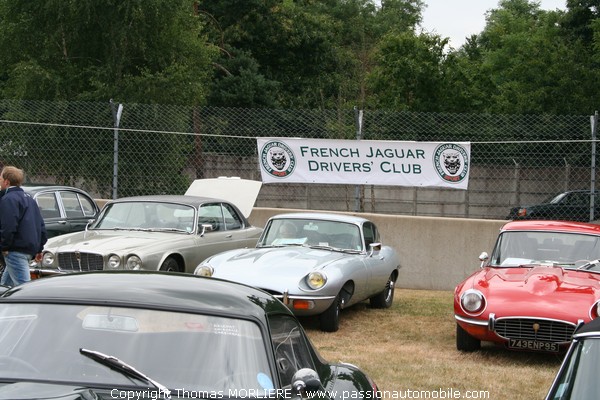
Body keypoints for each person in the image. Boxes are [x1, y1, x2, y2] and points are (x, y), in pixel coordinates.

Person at [0, 166, 47, 286]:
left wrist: (4, 246)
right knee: (6, 287)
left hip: (15, 250)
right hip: (28, 250)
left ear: (6, 181)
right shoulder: (29, 199)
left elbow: (8, 225)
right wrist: (39, 248)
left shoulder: (8, 199)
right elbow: (40, 225)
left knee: (24, 289)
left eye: (0, 178)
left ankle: (32, 305)